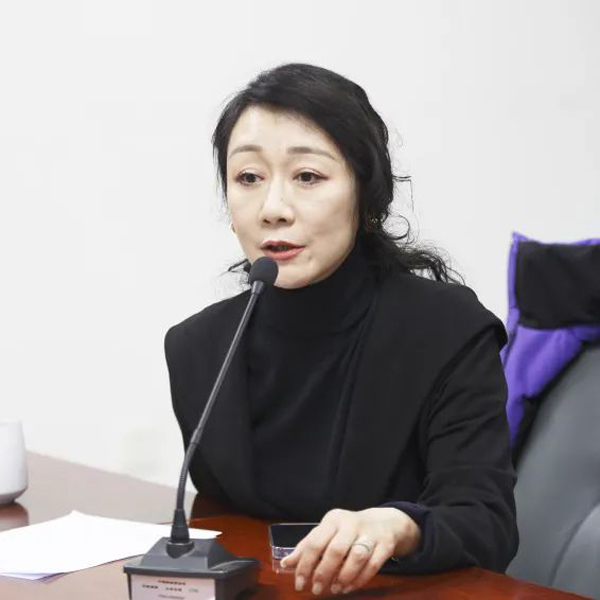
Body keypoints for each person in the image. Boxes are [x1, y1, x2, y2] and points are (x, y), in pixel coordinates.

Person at [164, 63, 518, 596]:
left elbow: (487, 523)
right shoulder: (199, 350)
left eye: (308, 176)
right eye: (248, 178)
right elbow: (224, 523)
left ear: (364, 195)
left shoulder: (447, 331)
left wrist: (400, 527)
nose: (273, 209)